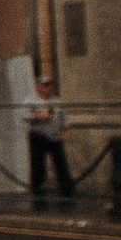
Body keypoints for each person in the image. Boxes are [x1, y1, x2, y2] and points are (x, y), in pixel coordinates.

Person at [25, 66, 74, 203]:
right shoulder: (31, 101)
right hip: (38, 135)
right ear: (38, 87)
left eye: (48, 85)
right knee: (38, 165)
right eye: (44, 85)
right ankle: (39, 192)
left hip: (55, 136)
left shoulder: (56, 101)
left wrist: (67, 129)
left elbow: (64, 117)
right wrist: (40, 116)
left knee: (61, 163)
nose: (47, 88)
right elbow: (25, 116)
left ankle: (67, 190)